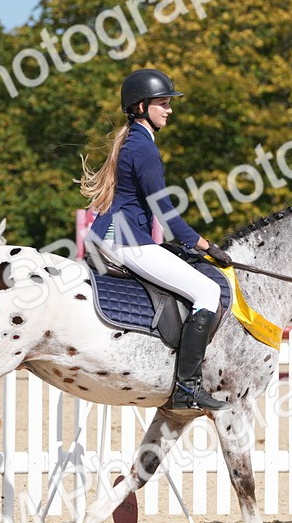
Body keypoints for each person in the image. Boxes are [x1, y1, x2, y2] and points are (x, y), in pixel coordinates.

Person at [79, 69, 232, 411]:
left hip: (113, 235)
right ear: (141, 107)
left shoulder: (134, 141)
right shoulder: (144, 149)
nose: (169, 110)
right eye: (163, 103)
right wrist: (205, 246)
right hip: (126, 240)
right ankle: (187, 387)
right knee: (207, 292)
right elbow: (165, 213)